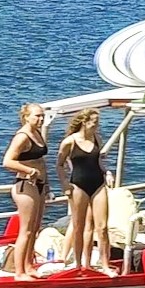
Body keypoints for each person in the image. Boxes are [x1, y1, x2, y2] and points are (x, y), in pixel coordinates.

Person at [57, 108, 114, 275]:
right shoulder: (70, 141)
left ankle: (105, 264)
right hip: (78, 185)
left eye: (98, 122)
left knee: (102, 227)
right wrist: (64, 184)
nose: (97, 125)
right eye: (94, 122)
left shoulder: (97, 138)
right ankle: (78, 264)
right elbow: (59, 164)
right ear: (85, 122)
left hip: (98, 183)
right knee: (78, 226)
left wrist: (107, 172)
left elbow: (98, 162)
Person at [1, 103, 50, 282]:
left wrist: (47, 185)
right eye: (37, 116)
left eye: (42, 116)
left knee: (35, 228)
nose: (41, 119)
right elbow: (7, 161)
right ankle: (19, 271)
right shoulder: (22, 136)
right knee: (26, 230)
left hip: (39, 184)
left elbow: (41, 161)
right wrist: (29, 171)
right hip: (25, 184)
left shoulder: (38, 133)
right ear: (26, 117)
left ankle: (29, 265)